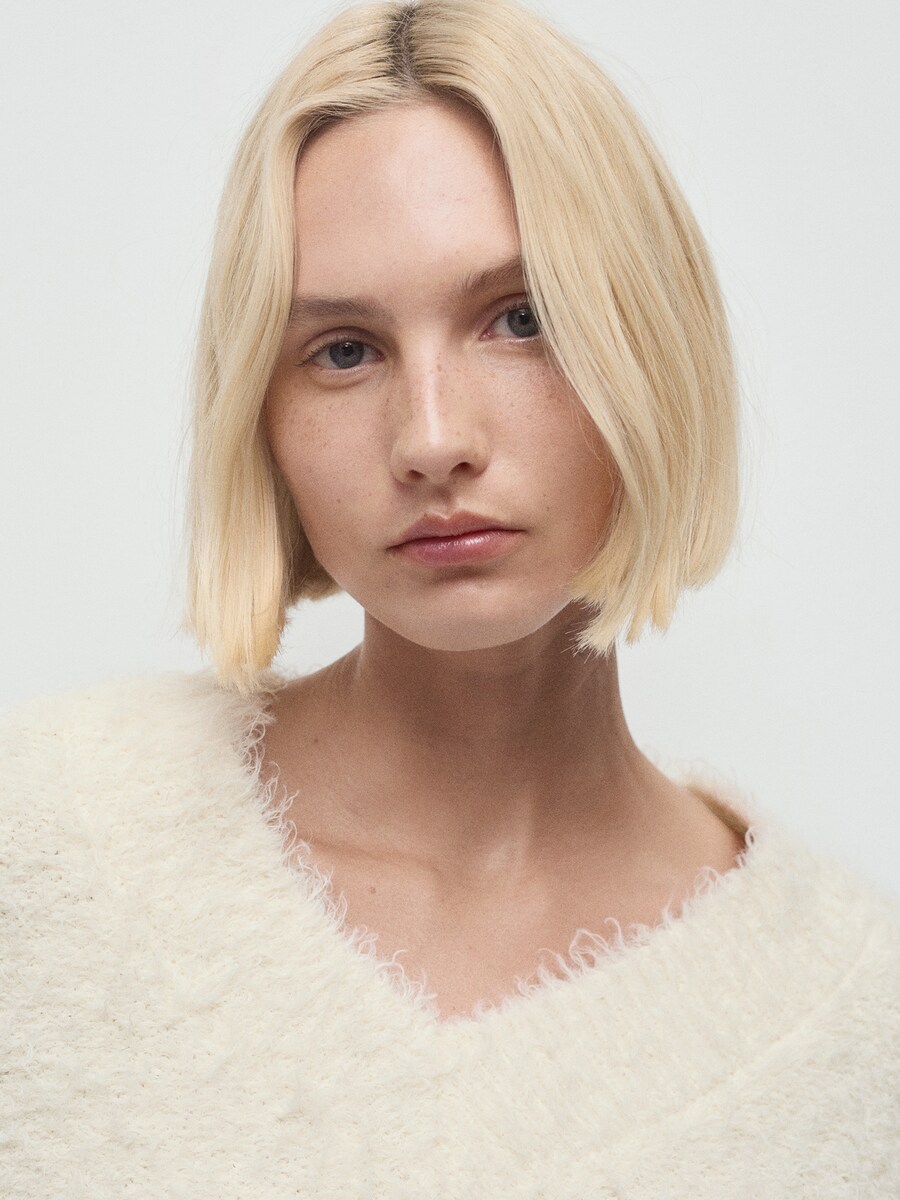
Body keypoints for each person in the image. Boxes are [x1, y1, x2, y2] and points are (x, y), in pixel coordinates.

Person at [2, 0, 897, 1195]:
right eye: (344, 350)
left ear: (652, 343)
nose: (430, 440)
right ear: (261, 414)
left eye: (520, 320)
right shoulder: (44, 846)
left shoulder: (849, 1027)